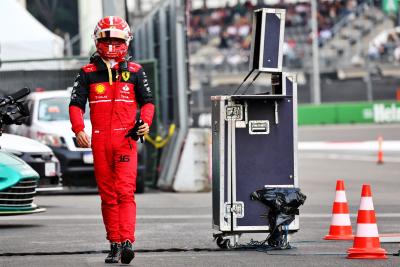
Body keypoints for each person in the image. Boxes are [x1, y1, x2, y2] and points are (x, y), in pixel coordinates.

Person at [69, 16, 155, 264]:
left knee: (125, 193)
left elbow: (148, 102)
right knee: (107, 196)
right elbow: (75, 105)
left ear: (126, 40)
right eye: (107, 39)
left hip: (126, 141)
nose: (112, 44)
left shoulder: (136, 72)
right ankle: (114, 244)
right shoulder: (87, 73)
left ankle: (127, 241)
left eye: (117, 39)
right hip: (99, 142)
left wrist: (145, 123)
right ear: (97, 40)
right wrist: (78, 129)